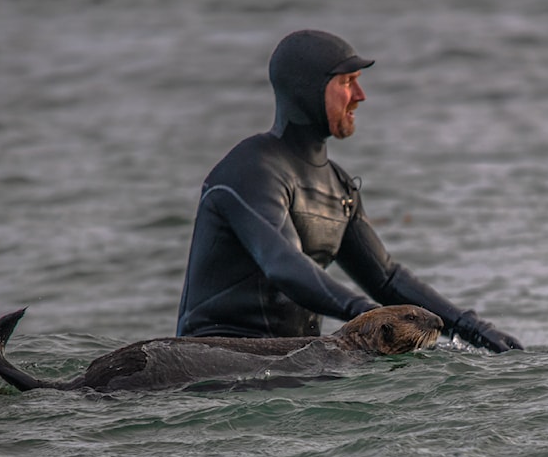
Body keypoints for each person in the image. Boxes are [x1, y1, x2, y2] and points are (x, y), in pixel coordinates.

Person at [176, 29, 522, 353]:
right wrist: (370, 318)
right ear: (306, 89)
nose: (360, 96)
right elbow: (282, 264)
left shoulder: (336, 184)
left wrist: (473, 329)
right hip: (217, 360)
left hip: (290, 362)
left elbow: (385, 278)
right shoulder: (251, 170)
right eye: (347, 82)